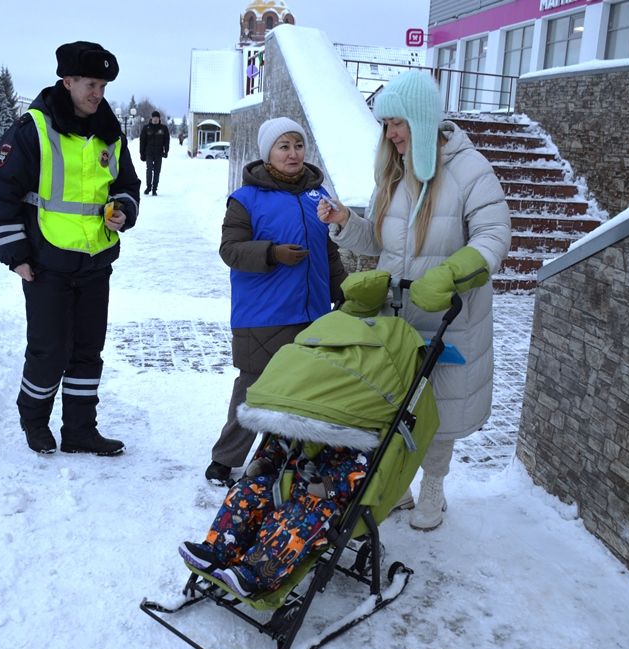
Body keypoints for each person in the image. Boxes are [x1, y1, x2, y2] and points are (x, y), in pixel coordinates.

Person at [317, 70, 511, 531]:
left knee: (439, 409)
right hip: (397, 317)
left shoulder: (470, 170)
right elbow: (381, 244)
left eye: (398, 123)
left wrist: (451, 271)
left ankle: (434, 489)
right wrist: (347, 221)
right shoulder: (395, 173)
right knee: (396, 403)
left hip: (448, 318)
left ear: (422, 119)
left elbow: (495, 236)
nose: (391, 134)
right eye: (386, 125)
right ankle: (400, 482)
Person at [0, 40, 141, 456]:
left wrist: (124, 210)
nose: (97, 94)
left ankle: (79, 430)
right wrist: (16, 256)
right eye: (90, 84)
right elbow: (2, 193)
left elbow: (127, 184)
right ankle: (34, 422)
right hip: (45, 262)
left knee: (88, 352)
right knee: (49, 351)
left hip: (96, 261)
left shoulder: (110, 130)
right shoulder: (32, 128)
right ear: (67, 81)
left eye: (103, 86)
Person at [205, 117, 347, 485]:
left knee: (305, 389)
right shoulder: (246, 200)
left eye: (298, 145)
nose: (293, 153)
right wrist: (271, 253)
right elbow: (230, 249)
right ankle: (225, 458)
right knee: (254, 388)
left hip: (313, 311)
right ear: (268, 153)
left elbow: (329, 252)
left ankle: (289, 457)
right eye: (284, 146)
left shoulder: (320, 196)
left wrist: (343, 293)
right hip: (263, 312)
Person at [182, 434, 368, 597]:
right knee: (246, 491)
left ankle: (255, 574)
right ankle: (218, 549)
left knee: (294, 521)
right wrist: (267, 460)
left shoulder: (364, 436)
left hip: (325, 495)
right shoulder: (311, 414)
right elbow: (285, 439)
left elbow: (357, 477)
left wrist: (330, 488)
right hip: (288, 479)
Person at [139, 110, 169, 195]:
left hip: (159, 153)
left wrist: (166, 151)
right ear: (151, 118)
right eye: (154, 117)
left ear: (159, 119)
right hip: (149, 153)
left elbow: (167, 140)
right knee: (149, 170)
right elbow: (142, 141)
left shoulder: (163, 128)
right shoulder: (146, 128)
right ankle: (148, 187)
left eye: (157, 118)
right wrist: (142, 153)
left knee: (157, 171)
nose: (155, 119)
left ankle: (154, 189)